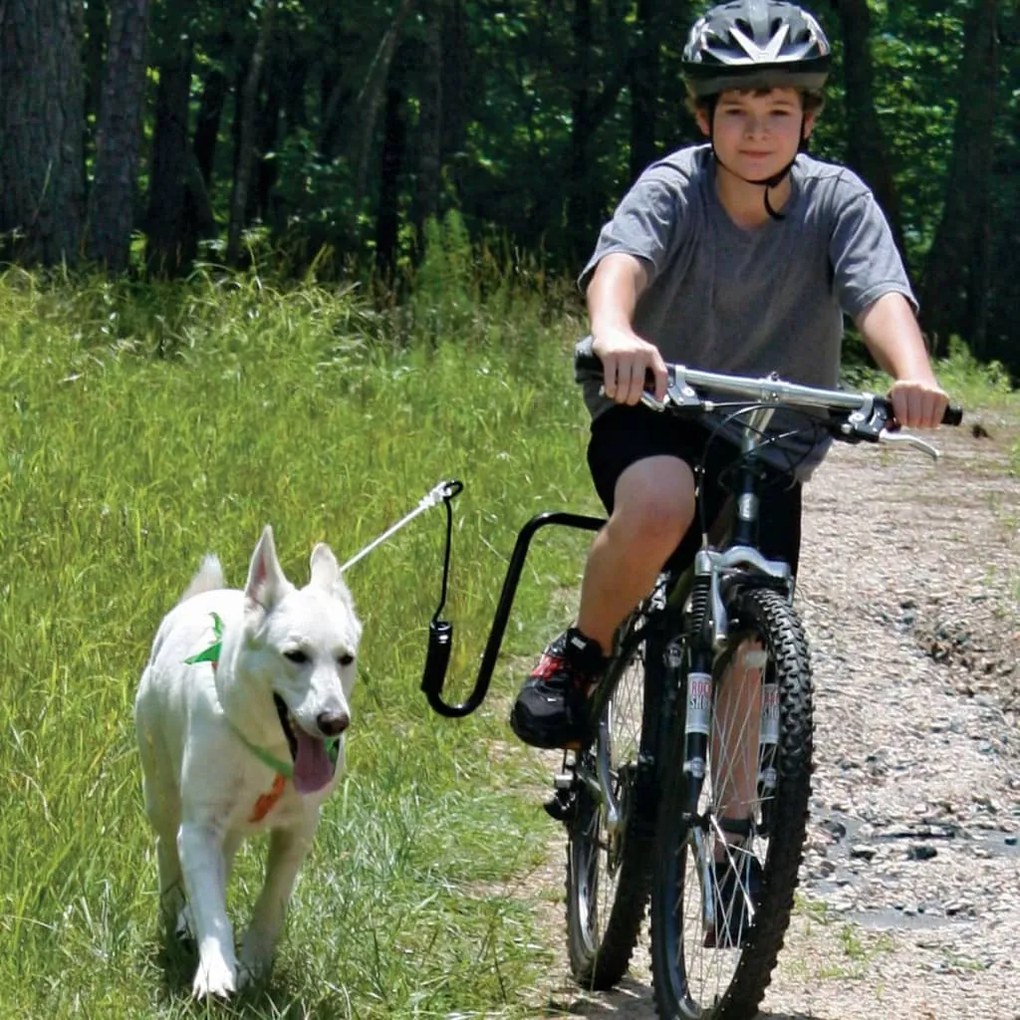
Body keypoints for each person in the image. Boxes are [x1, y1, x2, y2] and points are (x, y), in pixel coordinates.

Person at [509, 0, 948, 834]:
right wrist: (616, 334)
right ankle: (583, 653)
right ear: (704, 116)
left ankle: (736, 834)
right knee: (661, 506)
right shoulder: (673, 188)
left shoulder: (838, 202)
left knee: (753, 629)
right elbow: (621, 265)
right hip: (657, 407)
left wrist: (912, 373)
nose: (756, 132)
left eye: (778, 112)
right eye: (736, 112)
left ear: (808, 118)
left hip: (771, 436)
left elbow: (879, 295)